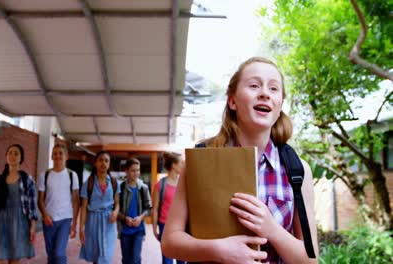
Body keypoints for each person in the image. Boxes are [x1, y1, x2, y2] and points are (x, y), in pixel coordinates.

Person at [161, 57, 319, 264]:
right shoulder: (200, 161)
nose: (264, 93)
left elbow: (311, 260)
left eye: (273, 88)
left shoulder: (298, 171)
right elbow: (170, 242)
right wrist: (218, 250)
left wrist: (271, 229)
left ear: (280, 104)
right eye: (254, 85)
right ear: (232, 101)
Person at [0, 144, 38, 264]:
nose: (12, 156)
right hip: (0, 223)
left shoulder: (27, 179)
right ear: (6, 156)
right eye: (10, 153)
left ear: (21, 158)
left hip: (19, 223)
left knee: (13, 261)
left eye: (16, 153)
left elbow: (32, 207)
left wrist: (32, 228)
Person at [37, 144, 79, 264]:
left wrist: (74, 223)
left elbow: (76, 201)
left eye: (61, 153)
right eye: (55, 153)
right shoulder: (44, 175)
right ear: (51, 156)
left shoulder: (72, 175)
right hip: (49, 220)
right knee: (51, 255)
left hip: (65, 219)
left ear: (66, 156)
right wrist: (45, 215)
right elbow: (40, 200)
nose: (58, 156)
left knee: (59, 254)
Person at [79, 151, 120, 264]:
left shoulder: (113, 182)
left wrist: (115, 212)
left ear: (109, 164)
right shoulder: (89, 183)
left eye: (106, 161)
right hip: (92, 221)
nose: (103, 163)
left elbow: (117, 203)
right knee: (96, 257)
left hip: (109, 222)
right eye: (100, 160)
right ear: (95, 163)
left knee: (106, 256)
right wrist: (81, 228)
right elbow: (84, 208)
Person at [152, 152, 186, 264]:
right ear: (173, 165)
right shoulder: (160, 185)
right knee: (167, 260)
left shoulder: (184, 184)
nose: (183, 164)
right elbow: (155, 208)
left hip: (181, 226)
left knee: (181, 259)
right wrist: (154, 228)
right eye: (181, 162)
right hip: (164, 226)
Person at [118, 158, 153, 264]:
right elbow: (115, 209)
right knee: (126, 260)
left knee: (135, 259)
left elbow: (149, 208)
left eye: (138, 170)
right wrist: (125, 218)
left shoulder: (144, 188)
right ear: (126, 171)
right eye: (133, 170)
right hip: (124, 230)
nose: (136, 173)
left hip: (139, 230)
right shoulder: (121, 188)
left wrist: (140, 217)